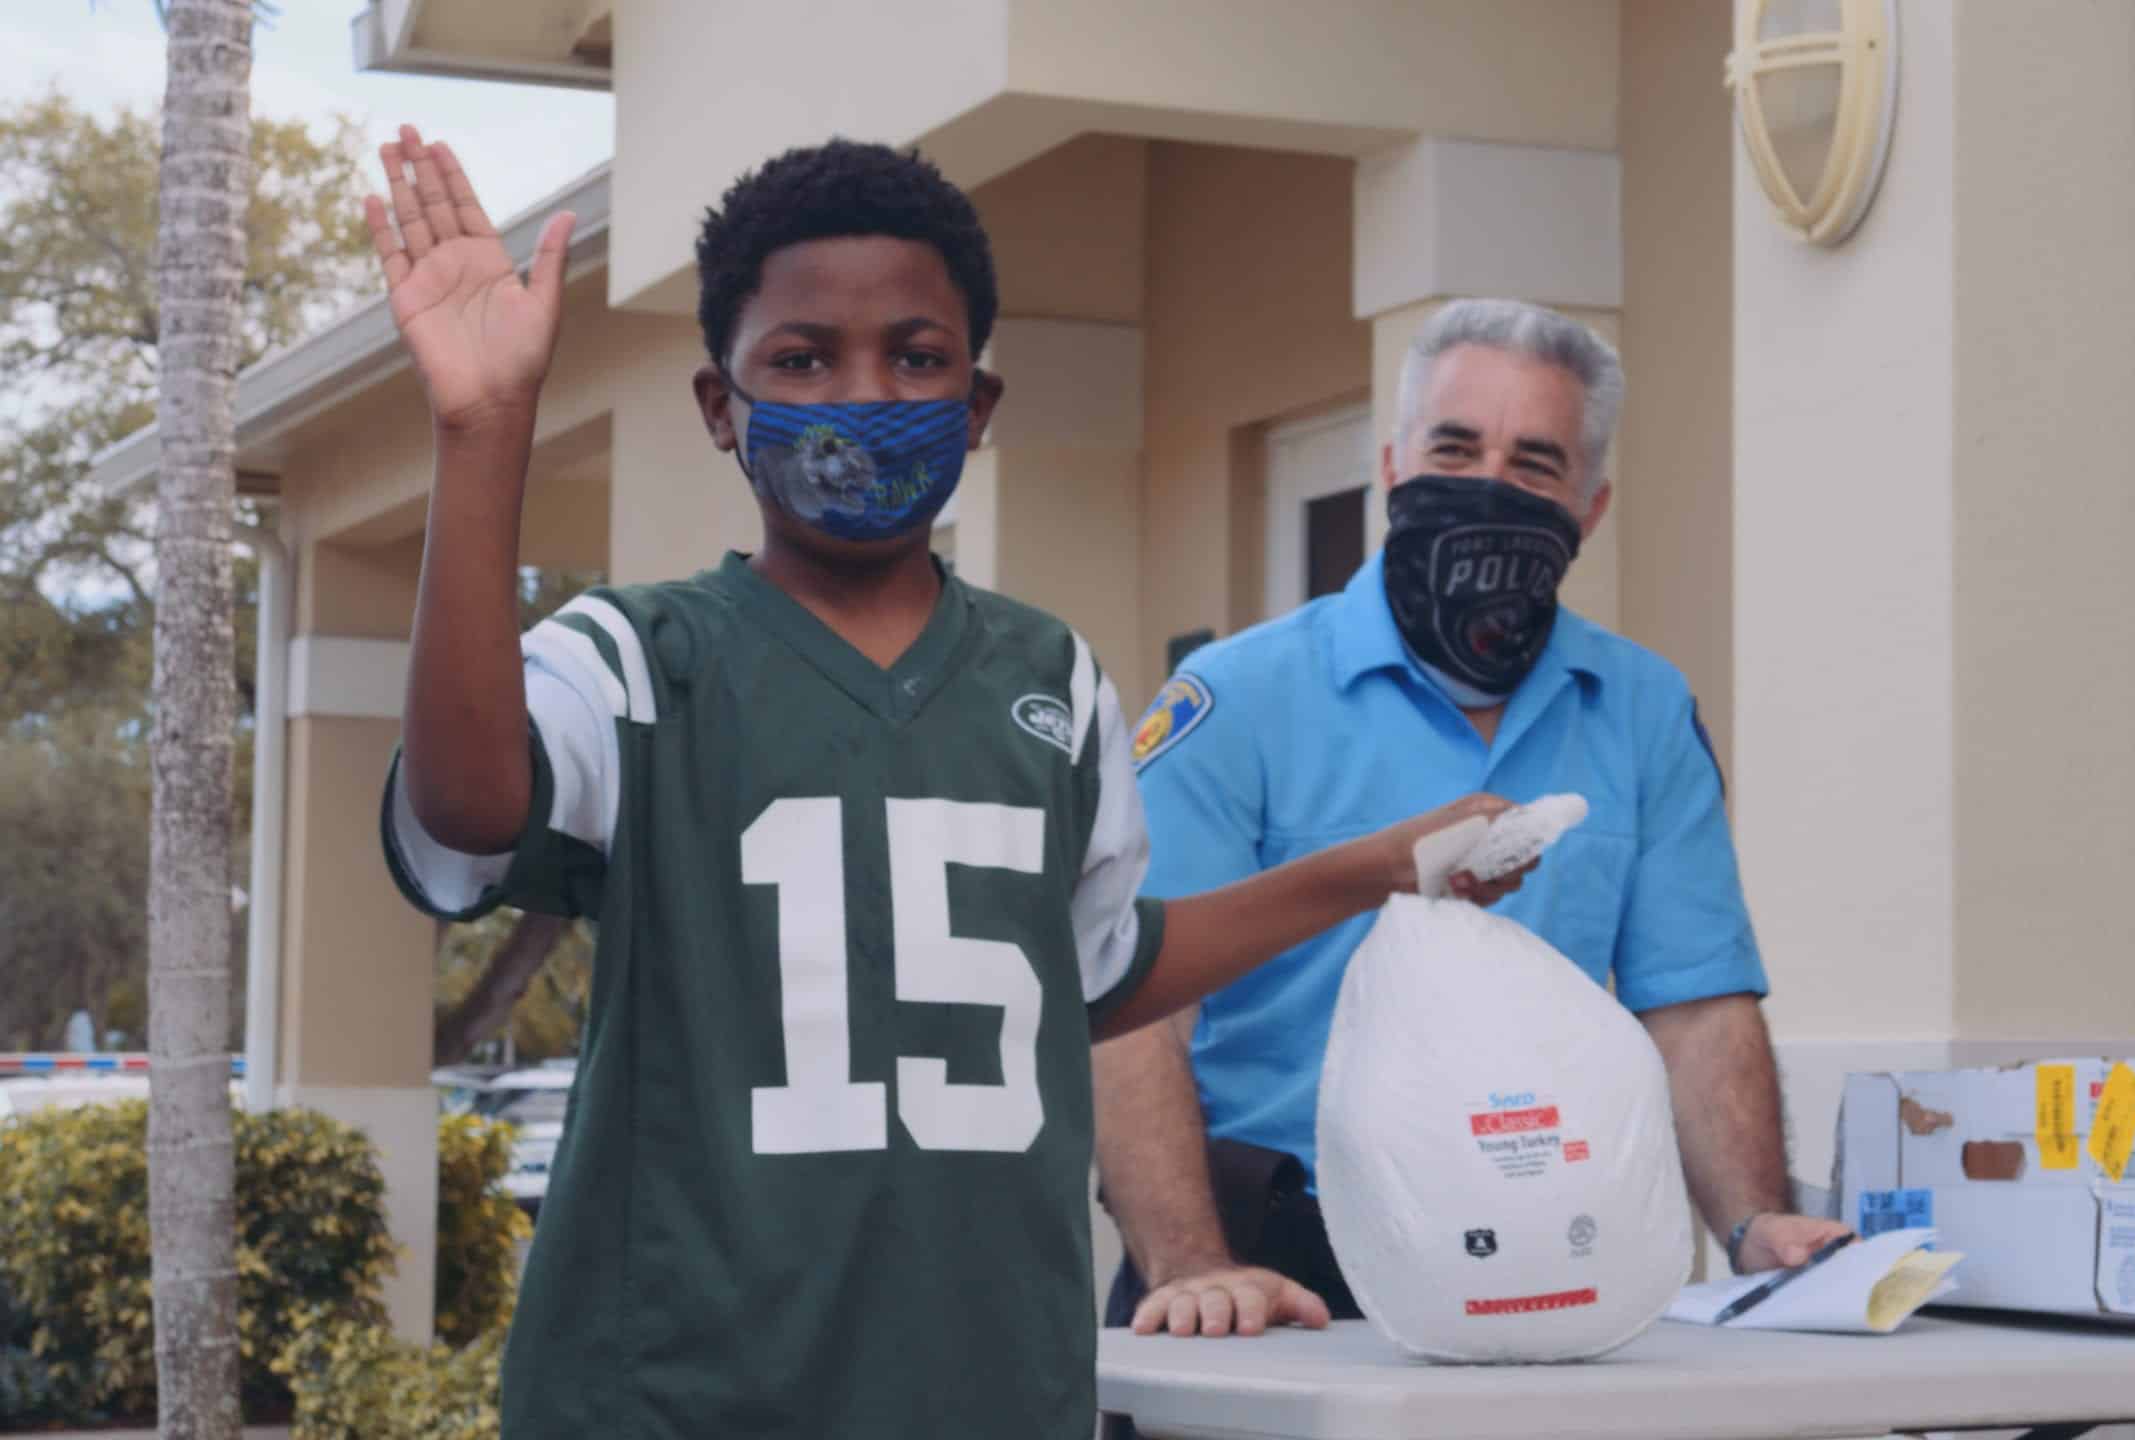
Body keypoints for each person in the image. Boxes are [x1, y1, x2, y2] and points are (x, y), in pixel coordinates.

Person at [366, 128, 1525, 1438]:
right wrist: (481, 432)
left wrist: (1372, 870)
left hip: (991, 1388)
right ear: (718, 406)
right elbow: (466, 804)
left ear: (974, 409)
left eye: (914, 357)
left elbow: (1091, 973)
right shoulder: (634, 659)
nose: (862, 394)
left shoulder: (1055, 679)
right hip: (678, 1395)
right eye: (802, 359)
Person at [1095, 298, 1855, 1358]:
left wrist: (1751, 1223)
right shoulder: (1236, 697)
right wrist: (1191, 1265)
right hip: (1272, 1269)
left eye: (1534, 464)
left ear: (1589, 508)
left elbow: (1695, 1007)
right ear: (1394, 467)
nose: (1490, 485)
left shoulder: (1639, 708)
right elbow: (1134, 1006)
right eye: (1456, 447)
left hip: (1557, 1271)